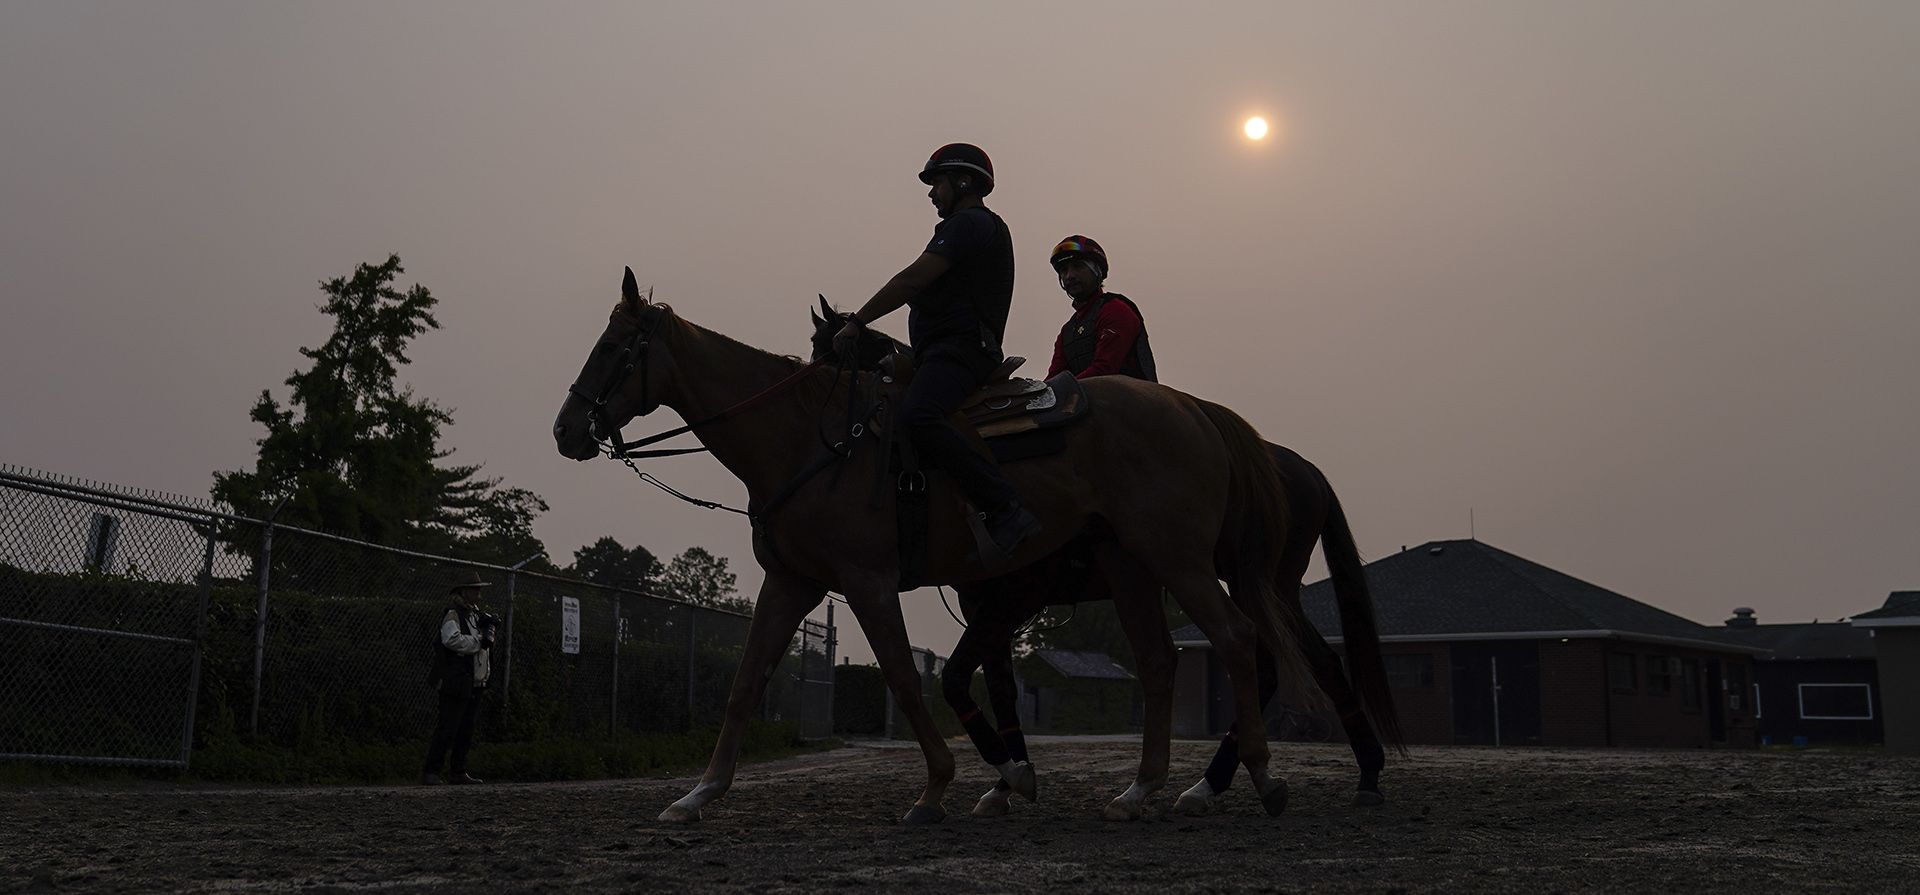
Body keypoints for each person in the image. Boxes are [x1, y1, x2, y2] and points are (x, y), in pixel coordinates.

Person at [832, 142, 1040, 556]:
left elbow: (911, 281)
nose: (932, 194)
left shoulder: (970, 225)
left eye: (937, 184)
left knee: (919, 414)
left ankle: (1005, 507)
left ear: (963, 182)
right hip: (939, 352)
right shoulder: (965, 227)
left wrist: (858, 322)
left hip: (961, 352)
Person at [1044, 235, 1156, 382]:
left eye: (1078, 266)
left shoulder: (1116, 310)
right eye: (1064, 271)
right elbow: (1054, 377)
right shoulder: (1067, 331)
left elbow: (1104, 370)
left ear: (1096, 270)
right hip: (1089, 401)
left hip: (1129, 402)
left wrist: (1059, 389)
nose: (1069, 275)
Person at [422, 570, 497, 785]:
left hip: (473, 680)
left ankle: (458, 770)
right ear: (464, 591)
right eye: (475, 589)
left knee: (466, 728)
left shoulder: (474, 615)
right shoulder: (454, 613)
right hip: (456, 679)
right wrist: (478, 643)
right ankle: (431, 771)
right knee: (448, 726)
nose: (479, 593)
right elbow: (450, 639)